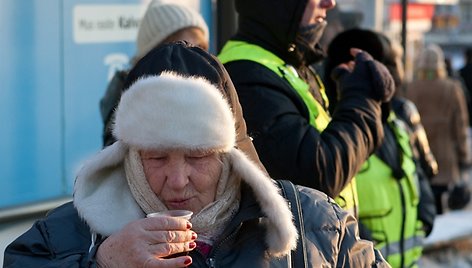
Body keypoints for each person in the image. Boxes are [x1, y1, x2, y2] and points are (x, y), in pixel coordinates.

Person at [3, 42, 390, 267]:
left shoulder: (315, 227)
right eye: (155, 157)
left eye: (198, 156)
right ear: (129, 155)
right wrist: (102, 262)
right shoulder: (77, 233)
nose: (177, 180)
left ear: (230, 155)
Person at [217, 0, 395, 216]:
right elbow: (319, 176)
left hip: (322, 246)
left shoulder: (286, 65)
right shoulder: (247, 74)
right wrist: (362, 99)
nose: (330, 3)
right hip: (296, 248)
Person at [324, 28, 436, 268]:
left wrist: (425, 218)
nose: (395, 74)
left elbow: (416, 171)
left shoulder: (398, 123)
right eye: (389, 64)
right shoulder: (336, 131)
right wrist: (362, 246)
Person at [100, 0, 209, 147]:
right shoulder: (128, 97)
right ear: (155, 53)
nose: (196, 57)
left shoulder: (211, 88)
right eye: (183, 48)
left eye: (201, 48)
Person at [406, 44, 471, 214]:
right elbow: (460, 125)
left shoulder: (411, 88)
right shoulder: (452, 88)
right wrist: (464, 156)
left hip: (418, 154)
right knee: (442, 203)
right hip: (446, 155)